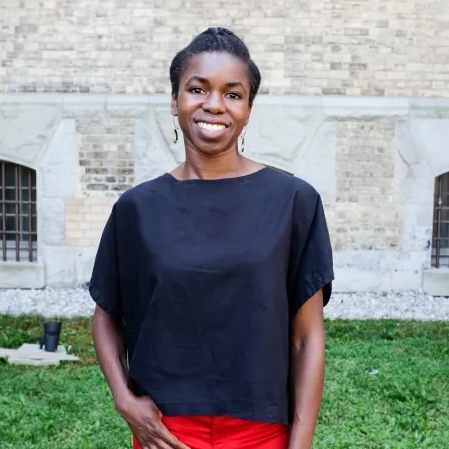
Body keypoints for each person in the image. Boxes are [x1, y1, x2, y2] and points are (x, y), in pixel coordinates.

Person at [90, 27, 334, 449]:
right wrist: (124, 400)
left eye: (232, 93)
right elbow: (107, 313)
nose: (214, 105)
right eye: (197, 89)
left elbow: (307, 337)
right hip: (165, 432)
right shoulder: (136, 208)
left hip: (262, 432)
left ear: (249, 108)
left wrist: (300, 444)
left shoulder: (294, 202)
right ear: (175, 100)